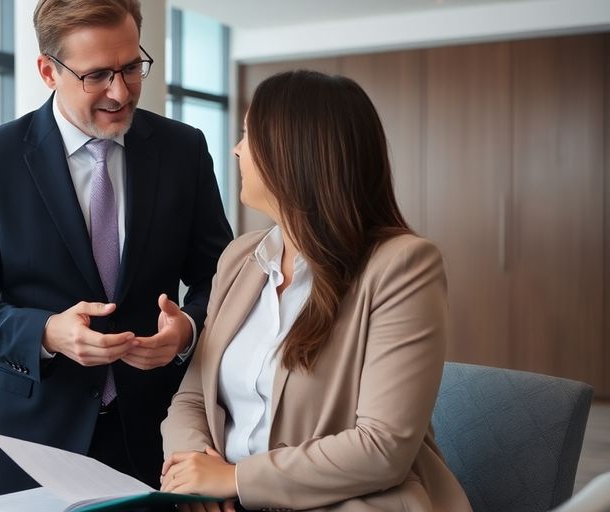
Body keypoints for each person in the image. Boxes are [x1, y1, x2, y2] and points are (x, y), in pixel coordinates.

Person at [0, 0, 233, 499]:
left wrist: (187, 327)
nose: (121, 92)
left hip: (154, 431)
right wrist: (47, 332)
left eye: (132, 67)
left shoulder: (184, 149)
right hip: (26, 438)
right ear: (48, 71)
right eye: (97, 75)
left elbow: (222, 277)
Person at [159, 70, 472, 511]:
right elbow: (191, 396)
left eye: (249, 135)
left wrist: (236, 479)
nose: (236, 149)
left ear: (292, 154)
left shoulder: (401, 266)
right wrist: (195, 469)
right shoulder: (239, 258)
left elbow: (383, 448)